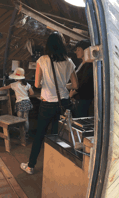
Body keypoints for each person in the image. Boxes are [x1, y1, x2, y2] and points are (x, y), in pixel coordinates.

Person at [20, 32, 78, 174]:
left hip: (47, 103)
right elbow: (75, 85)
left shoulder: (42, 60)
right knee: (57, 136)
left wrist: (48, 82)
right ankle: (55, 168)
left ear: (48, 45)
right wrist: (63, 85)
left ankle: (30, 166)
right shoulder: (69, 61)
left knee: (40, 134)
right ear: (62, 45)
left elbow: (37, 85)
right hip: (64, 103)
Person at [0, 67, 34, 143]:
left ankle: (21, 135)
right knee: (26, 119)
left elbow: (4, 88)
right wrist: (25, 94)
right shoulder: (27, 84)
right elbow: (32, 93)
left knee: (20, 120)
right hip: (27, 102)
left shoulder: (14, 85)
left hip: (19, 103)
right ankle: (25, 135)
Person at [69, 40, 94, 118]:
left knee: (79, 120)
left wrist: (73, 92)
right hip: (79, 99)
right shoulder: (82, 63)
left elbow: (84, 82)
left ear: (86, 50)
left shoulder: (89, 64)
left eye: (78, 50)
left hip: (83, 99)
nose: (76, 52)